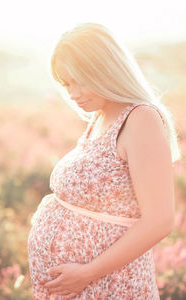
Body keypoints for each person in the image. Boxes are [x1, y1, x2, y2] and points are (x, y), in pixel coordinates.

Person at [27, 22, 181, 299]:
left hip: (108, 285)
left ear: (106, 69)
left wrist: (88, 272)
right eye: (66, 84)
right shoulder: (100, 115)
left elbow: (160, 221)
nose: (72, 94)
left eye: (79, 80)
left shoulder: (140, 119)